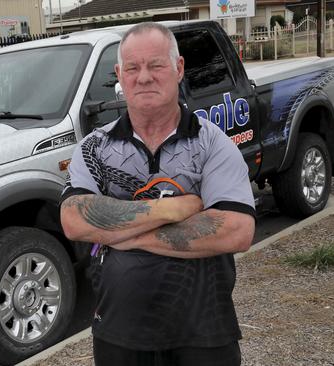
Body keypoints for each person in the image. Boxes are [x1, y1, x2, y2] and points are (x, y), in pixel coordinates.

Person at [60, 22, 256, 366]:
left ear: (178, 69)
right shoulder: (94, 148)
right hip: (119, 333)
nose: (144, 77)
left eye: (156, 65)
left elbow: (237, 230)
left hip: (205, 331)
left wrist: (120, 234)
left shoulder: (211, 144)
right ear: (120, 75)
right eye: (133, 68)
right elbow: (74, 219)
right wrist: (173, 210)